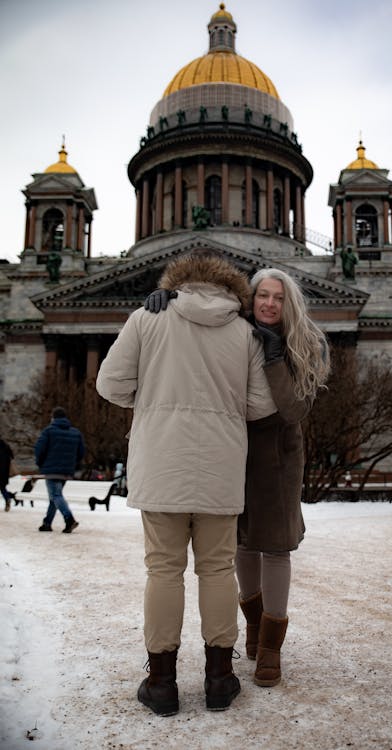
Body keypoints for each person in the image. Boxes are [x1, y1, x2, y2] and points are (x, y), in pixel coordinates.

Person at [96, 251, 276, 716]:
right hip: (220, 468)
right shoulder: (243, 332)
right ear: (232, 288)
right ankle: (219, 678)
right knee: (217, 570)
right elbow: (260, 405)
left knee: (163, 570)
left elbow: (109, 385)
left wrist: (155, 399)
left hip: (161, 464)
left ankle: (161, 683)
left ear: (177, 282)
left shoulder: (147, 317)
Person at [144, 266, 330, 688]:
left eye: (278, 298)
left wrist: (276, 356)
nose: (268, 304)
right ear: (250, 298)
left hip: (278, 457)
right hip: (230, 449)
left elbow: (294, 410)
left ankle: (270, 647)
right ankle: (252, 626)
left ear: (290, 303)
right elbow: (192, 344)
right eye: (262, 295)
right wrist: (167, 303)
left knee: (276, 546)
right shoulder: (233, 326)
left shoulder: (306, 343)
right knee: (241, 544)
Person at [35, 407, 85, 533]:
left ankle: (69, 519)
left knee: (56, 495)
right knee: (55, 496)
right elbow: (81, 452)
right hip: (66, 470)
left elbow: (39, 449)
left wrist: (40, 463)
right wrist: (72, 464)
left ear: (53, 418)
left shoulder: (49, 431)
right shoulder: (75, 432)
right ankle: (47, 523)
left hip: (51, 469)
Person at [0, 437, 15, 511]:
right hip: (4, 474)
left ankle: (7, 499)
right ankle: (7, 499)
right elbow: (12, 457)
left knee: (2, 488)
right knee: (2, 488)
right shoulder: (6, 446)